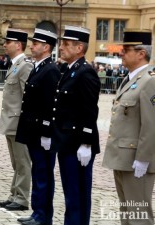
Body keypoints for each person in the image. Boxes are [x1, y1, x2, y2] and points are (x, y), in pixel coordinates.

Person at [49, 25, 101, 225]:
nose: (61, 47)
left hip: (77, 143)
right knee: (71, 191)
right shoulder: (70, 70)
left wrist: (86, 143)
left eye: (66, 44)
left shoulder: (85, 72)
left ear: (79, 48)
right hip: (67, 141)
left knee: (78, 192)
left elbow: (89, 110)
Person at [102, 29, 155, 225]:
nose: (121, 53)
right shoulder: (131, 79)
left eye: (126, 49)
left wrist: (143, 159)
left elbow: (151, 125)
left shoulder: (150, 81)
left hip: (136, 161)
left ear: (141, 53)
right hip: (123, 158)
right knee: (127, 213)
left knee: (139, 216)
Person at [16, 28, 61, 225]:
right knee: (38, 172)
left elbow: (50, 104)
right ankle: (37, 213)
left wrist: (46, 132)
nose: (32, 46)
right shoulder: (38, 67)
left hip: (42, 133)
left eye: (36, 43)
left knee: (43, 175)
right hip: (33, 131)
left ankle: (43, 216)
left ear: (46, 47)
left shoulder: (50, 70)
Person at [0, 29, 33, 211]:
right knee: (16, 162)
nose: (4, 44)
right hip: (11, 122)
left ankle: (22, 198)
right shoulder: (15, 65)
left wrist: (26, 123)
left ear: (18, 45)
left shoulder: (25, 65)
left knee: (22, 162)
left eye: (8, 42)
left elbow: (28, 97)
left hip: (19, 122)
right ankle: (14, 194)